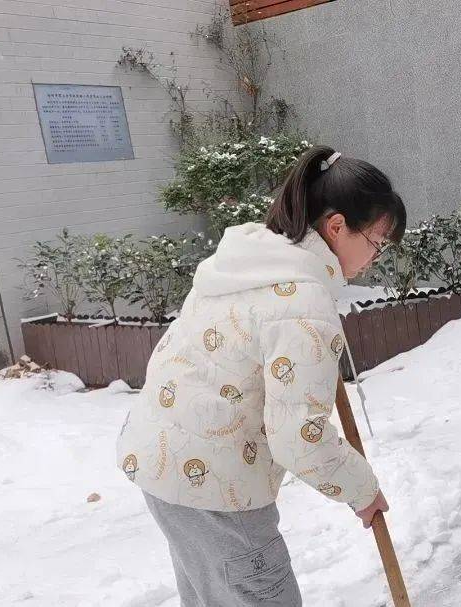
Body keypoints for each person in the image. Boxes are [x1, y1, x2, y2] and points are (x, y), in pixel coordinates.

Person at [116, 146, 405, 605]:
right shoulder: (302, 306)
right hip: (217, 486)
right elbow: (299, 438)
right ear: (336, 226)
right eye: (375, 242)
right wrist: (362, 489)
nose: (375, 257)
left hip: (162, 461)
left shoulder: (248, 261)